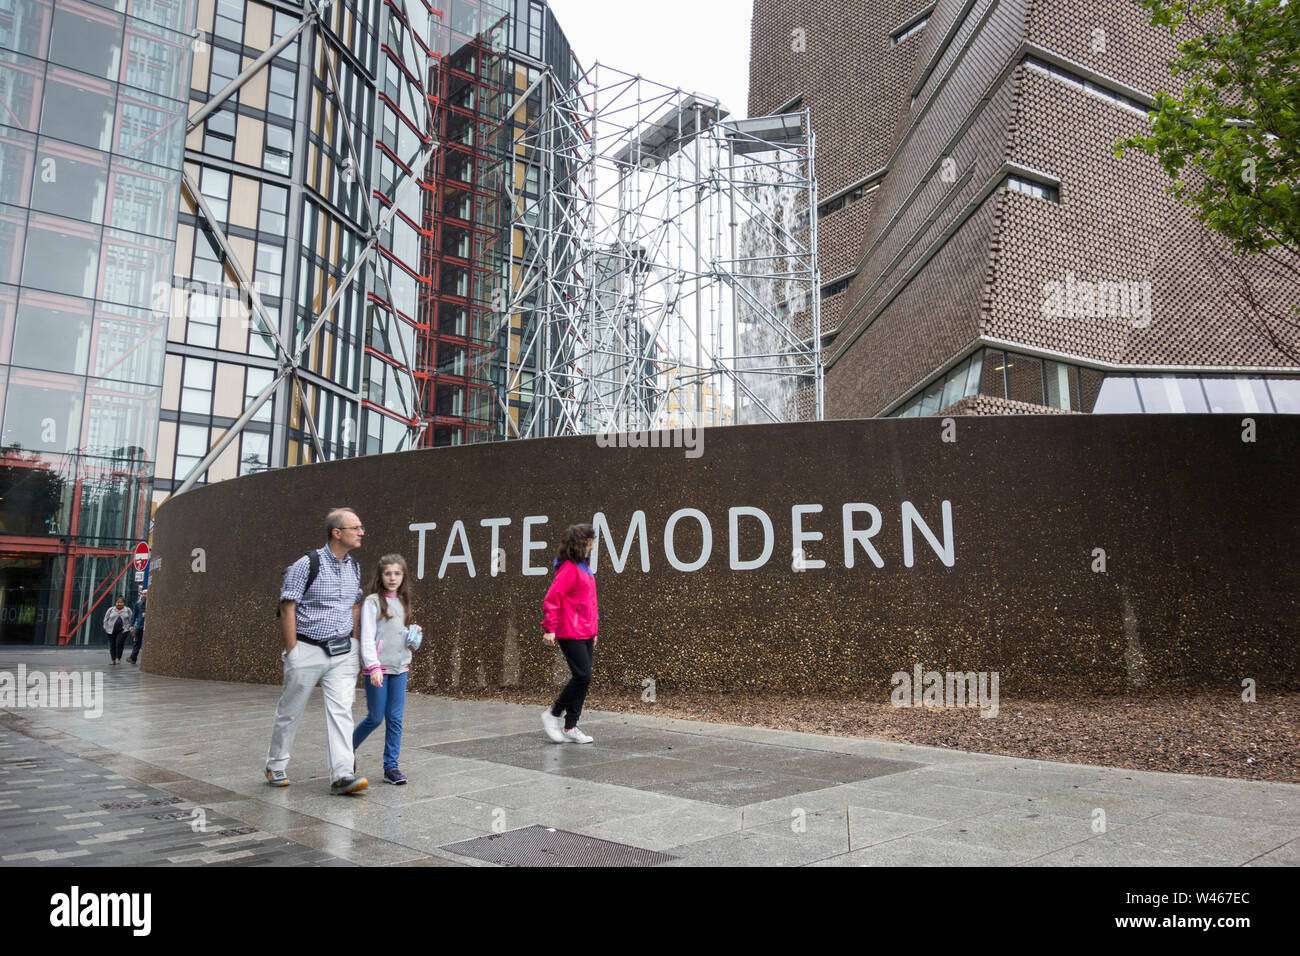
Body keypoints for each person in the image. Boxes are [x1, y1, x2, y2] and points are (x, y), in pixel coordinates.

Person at [266, 508, 368, 794]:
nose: (361, 532)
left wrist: (356, 642)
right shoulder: (306, 564)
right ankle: (275, 763)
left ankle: (343, 774)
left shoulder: (354, 566)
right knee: (290, 711)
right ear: (337, 533)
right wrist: (293, 650)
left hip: (343, 652)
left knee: (341, 712)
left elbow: (355, 604)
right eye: (356, 527)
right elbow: (288, 606)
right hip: (307, 648)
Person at [353, 554, 422, 785]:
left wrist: (414, 636)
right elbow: (368, 637)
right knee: (375, 717)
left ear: (403, 576)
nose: (392, 578)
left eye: (397, 573)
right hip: (378, 670)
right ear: (380, 576)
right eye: (388, 573)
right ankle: (345, 752)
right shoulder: (372, 602)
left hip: (400, 668)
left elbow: (403, 637)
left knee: (395, 719)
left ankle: (391, 767)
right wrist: (372, 666)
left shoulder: (403, 602)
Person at [540, 523, 599, 744]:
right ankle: (553, 714)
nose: (594, 543)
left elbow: (590, 601)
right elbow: (552, 599)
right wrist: (549, 628)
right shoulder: (569, 568)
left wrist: (594, 629)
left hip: (585, 630)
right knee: (583, 676)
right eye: (592, 539)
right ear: (586, 542)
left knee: (582, 679)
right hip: (569, 629)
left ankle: (570, 727)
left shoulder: (584, 566)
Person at [102, 597, 132, 666]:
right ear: (115, 603)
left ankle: (118, 658)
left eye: (121, 602)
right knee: (112, 645)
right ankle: (113, 660)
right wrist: (106, 628)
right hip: (111, 630)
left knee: (119, 643)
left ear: (123, 603)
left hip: (123, 630)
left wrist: (130, 627)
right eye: (118, 602)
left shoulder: (127, 610)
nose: (119, 604)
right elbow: (105, 619)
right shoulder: (111, 609)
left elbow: (131, 619)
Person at [128, 589, 147, 665]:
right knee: (137, 642)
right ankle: (133, 658)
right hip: (139, 626)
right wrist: (131, 625)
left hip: (148, 627)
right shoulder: (138, 604)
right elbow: (134, 615)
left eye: (145, 594)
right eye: (142, 594)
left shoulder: (152, 604)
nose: (143, 595)